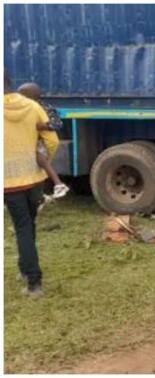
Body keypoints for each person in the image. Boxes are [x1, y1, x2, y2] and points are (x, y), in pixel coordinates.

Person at [4, 70, 60, 297]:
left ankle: (33, 281)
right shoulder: (32, 105)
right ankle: (25, 268)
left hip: (8, 182)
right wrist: (44, 164)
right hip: (34, 179)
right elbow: (51, 140)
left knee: (22, 227)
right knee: (29, 225)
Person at [17, 82, 69, 199]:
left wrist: (41, 126)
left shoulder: (45, 108)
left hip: (45, 142)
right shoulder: (24, 108)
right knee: (35, 169)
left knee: (40, 158)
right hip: (31, 141)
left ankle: (58, 184)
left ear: (31, 97)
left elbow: (58, 124)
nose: (18, 98)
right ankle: (39, 195)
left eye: (21, 96)